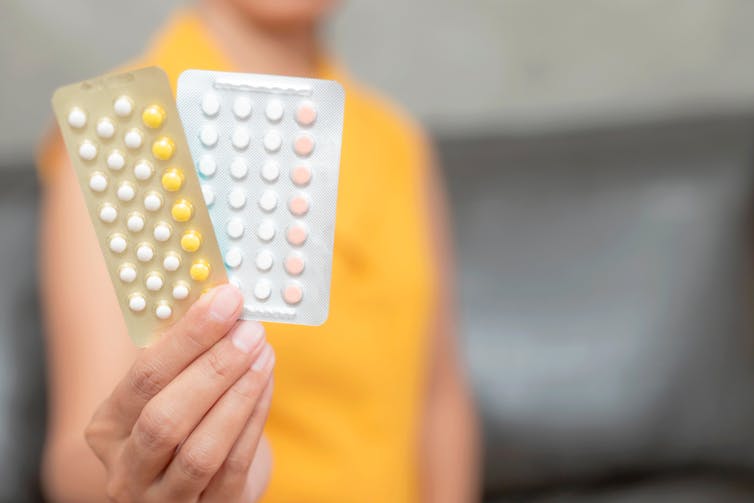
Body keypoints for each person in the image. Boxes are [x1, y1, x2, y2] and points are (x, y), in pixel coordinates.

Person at [37, 0, 479, 501]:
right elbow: (79, 456)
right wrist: (143, 481)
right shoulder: (127, 135)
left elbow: (439, 398)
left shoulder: (398, 142)